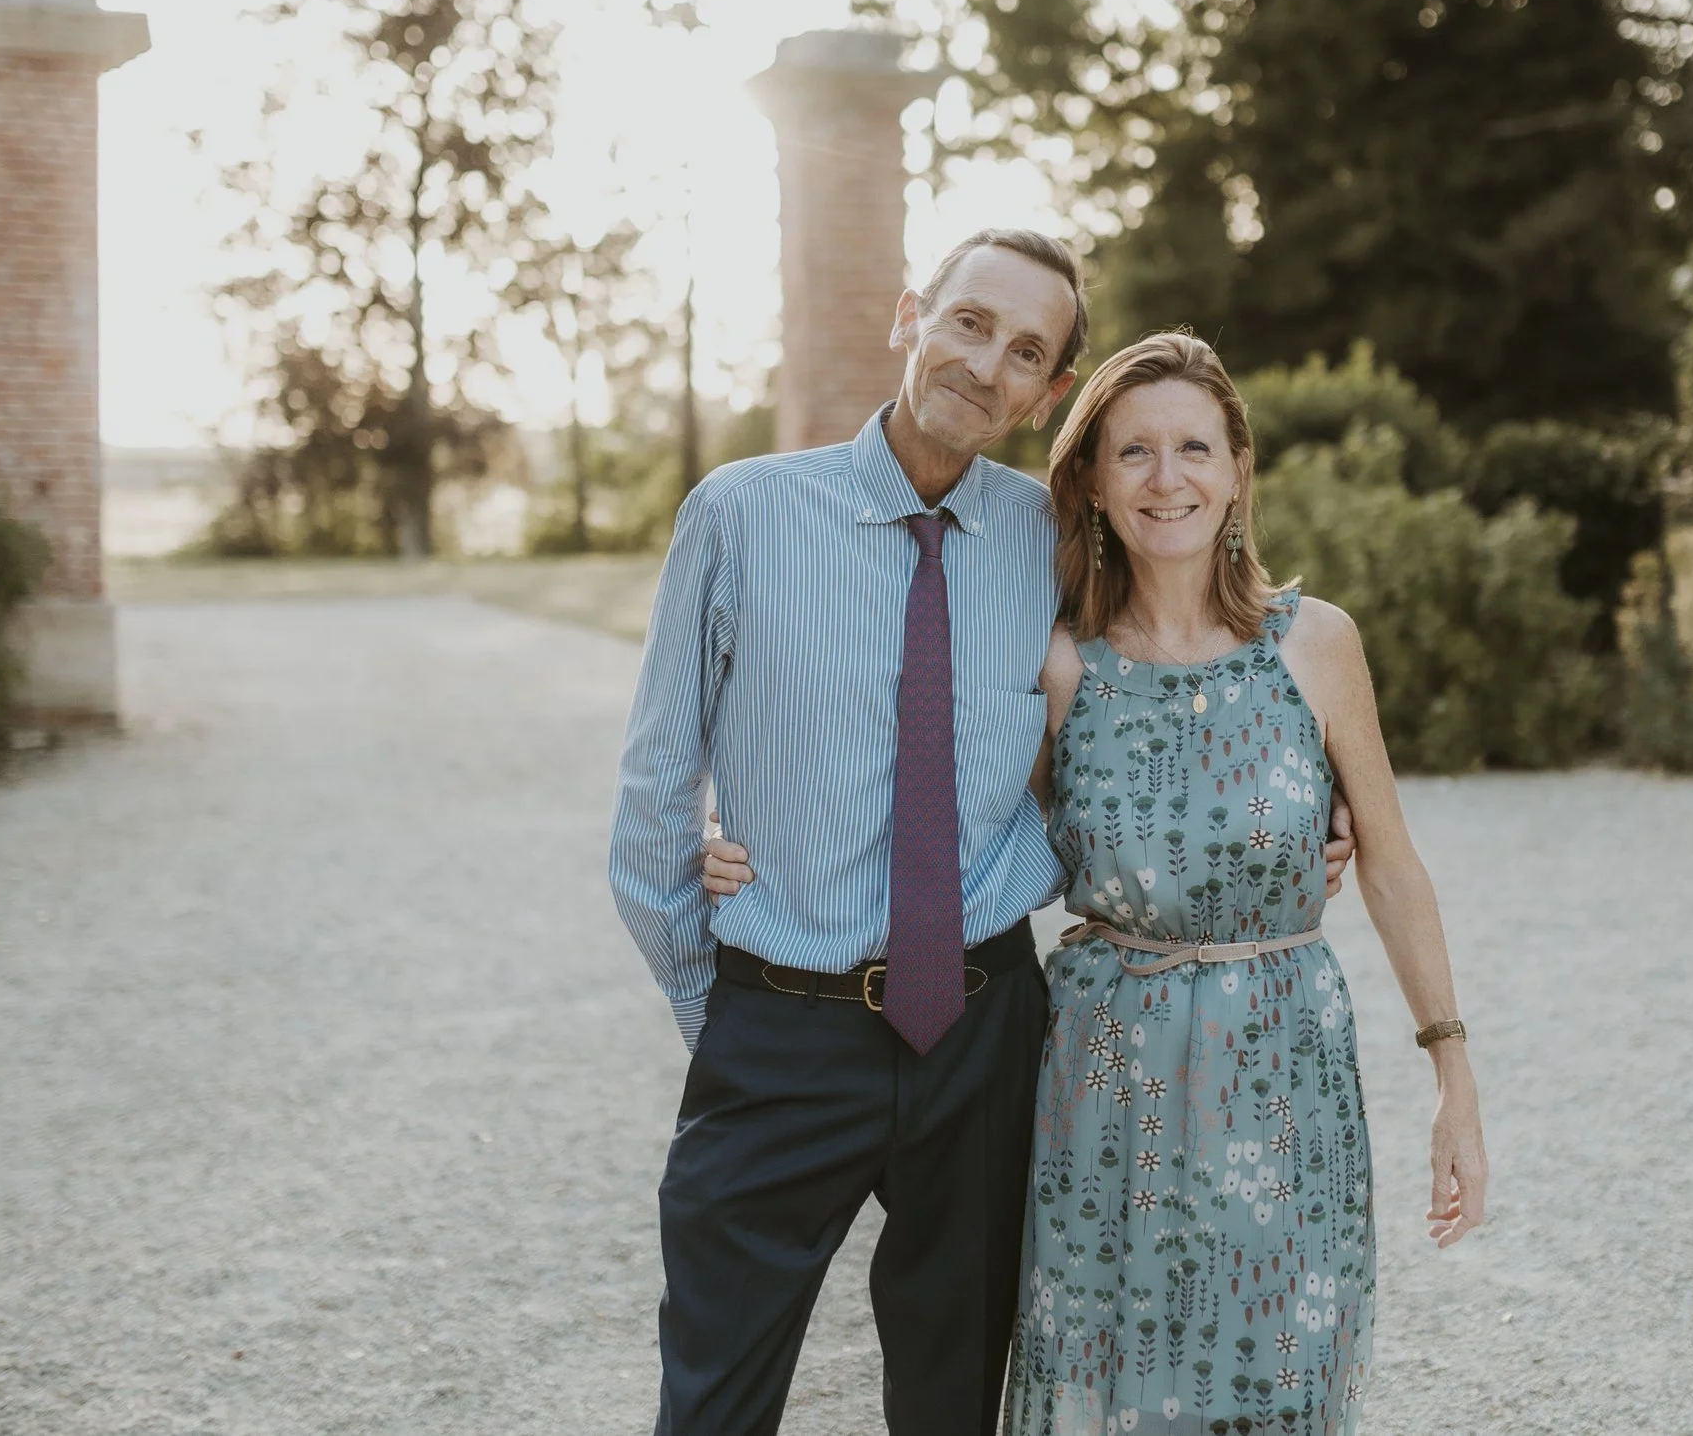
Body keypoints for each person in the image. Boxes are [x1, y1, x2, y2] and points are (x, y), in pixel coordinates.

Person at [611, 231, 1352, 1436]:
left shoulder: (1051, 538)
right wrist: (728, 1016)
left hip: (984, 1036)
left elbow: (1154, 690)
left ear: (1047, 392)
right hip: (779, 1028)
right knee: (712, 1399)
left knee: (955, 1401)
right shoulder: (741, 514)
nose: (984, 362)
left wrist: (1283, 819)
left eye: (1024, 351)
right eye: (968, 322)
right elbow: (652, 795)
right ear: (911, 315)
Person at [708, 331, 1489, 1434]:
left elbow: (1394, 866)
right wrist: (741, 838)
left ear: (1237, 469)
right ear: (1090, 482)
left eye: (1193, 448)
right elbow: (933, 813)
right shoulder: (1060, 660)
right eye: (1133, 451)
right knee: (1110, 1375)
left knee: (1275, 1371)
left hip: (1283, 1061)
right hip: (1106, 1076)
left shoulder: (1315, 644)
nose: (1167, 479)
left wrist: (1452, 1073)